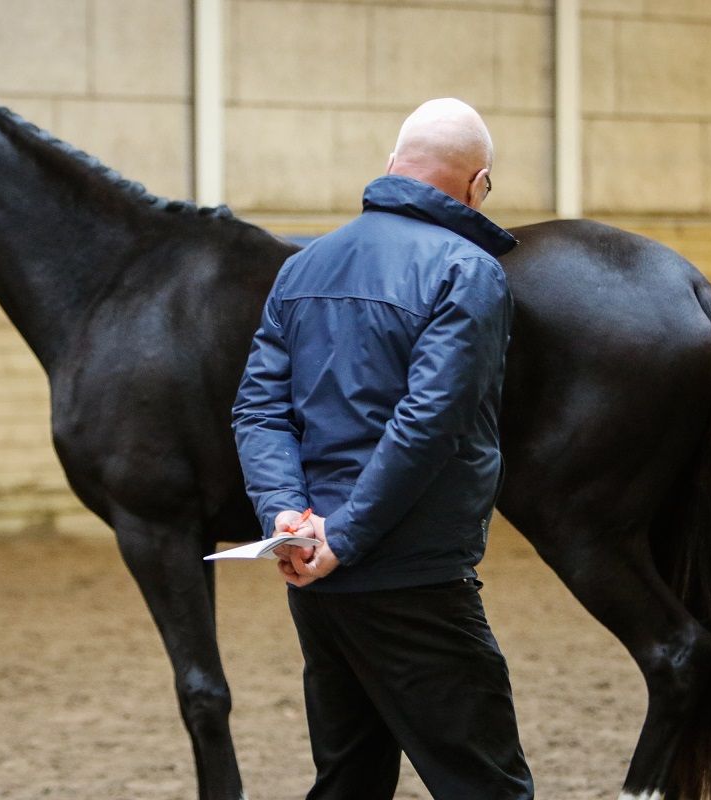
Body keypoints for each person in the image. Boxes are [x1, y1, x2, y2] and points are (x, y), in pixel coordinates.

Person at [232, 98, 534, 799]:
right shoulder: (468, 272)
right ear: (477, 184)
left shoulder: (305, 267)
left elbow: (257, 408)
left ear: (393, 165)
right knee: (488, 786)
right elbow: (429, 422)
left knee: (350, 779)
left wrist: (286, 515)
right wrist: (350, 535)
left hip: (315, 574)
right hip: (413, 576)